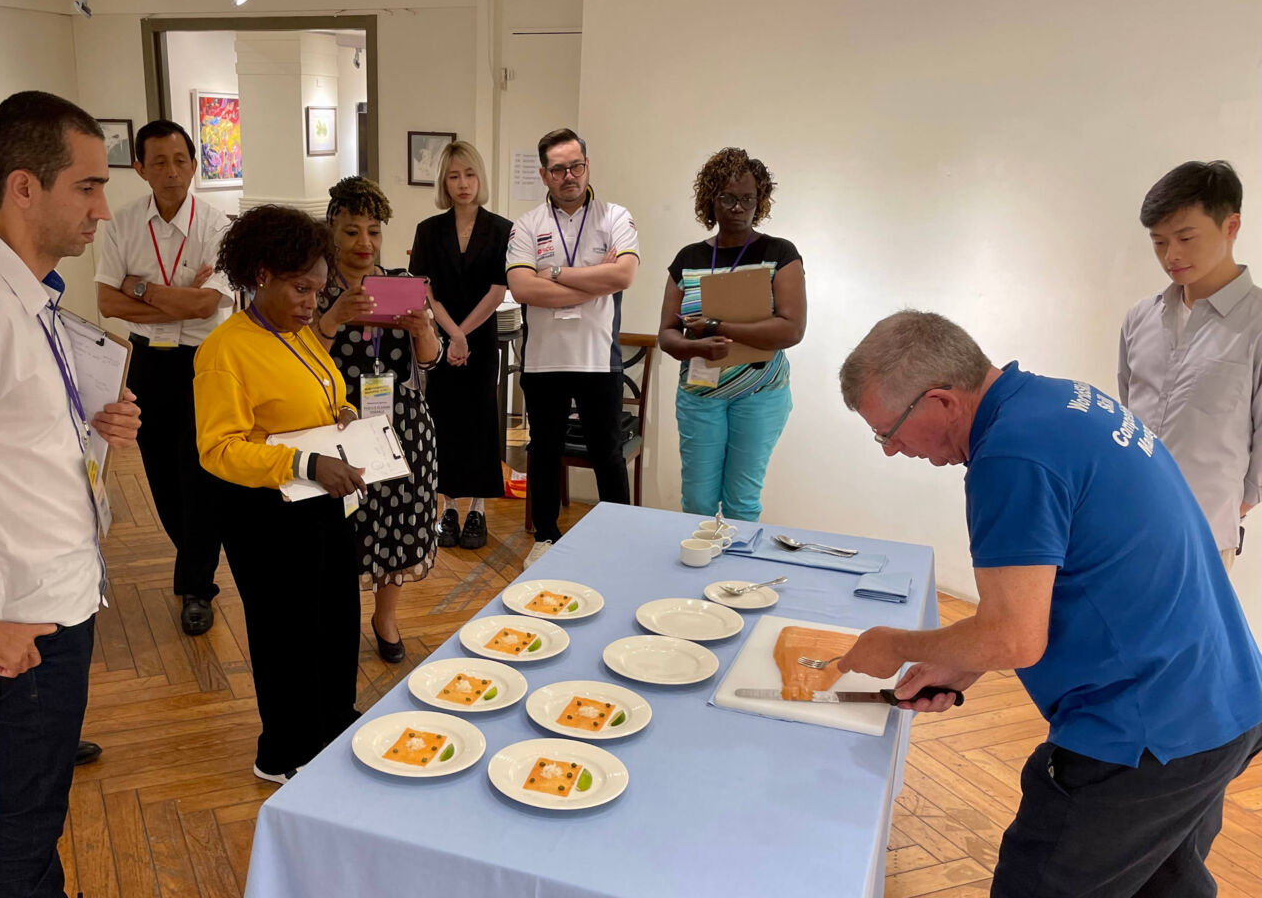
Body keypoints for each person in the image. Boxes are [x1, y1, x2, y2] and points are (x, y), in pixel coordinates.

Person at [837, 309, 1262, 898]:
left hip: (1147, 732)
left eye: (888, 431)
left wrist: (895, 644)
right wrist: (961, 661)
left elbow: (1015, 637)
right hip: (1222, 702)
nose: (889, 449)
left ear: (940, 401)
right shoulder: (1061, 403)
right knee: (1163, 885)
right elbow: (1065, 583)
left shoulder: (1009, 457)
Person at [0, 90, 141, 898]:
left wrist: (93, 423)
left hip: (59, 592)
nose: (102, 209)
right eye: (86, 186)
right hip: (22, 618)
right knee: (25, 814)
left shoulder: (31, 294)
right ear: (23, 188)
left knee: (36, 801)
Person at [194, 205, 367, 783]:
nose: (311, 303)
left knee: (337, 621)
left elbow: (317, 395)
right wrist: (303, 459)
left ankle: (334, 725)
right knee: (286, 633)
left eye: (318, 291)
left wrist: (336, 413)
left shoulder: (299, 336)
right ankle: (287, 752)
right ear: (262, 274)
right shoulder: (225, 350)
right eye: (301, 288)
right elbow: (218, 448)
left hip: (321, 500)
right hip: (266, 511)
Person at [95, 119, 234, 635]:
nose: (172, 172)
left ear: (194, 165)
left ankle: (197, 586)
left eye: (181, 161)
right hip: (145, 362)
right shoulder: (123, 222)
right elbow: (106, 301)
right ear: (139, 168)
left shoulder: (218, 226)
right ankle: (195, 560)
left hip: (203, 363)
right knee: (160, 477)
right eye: (159, 162)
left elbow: (207, 307)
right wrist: (173, 298)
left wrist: (140, 288)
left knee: (200, 474)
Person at [313, 176, 443, 663]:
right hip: (339, 424)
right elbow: (298, 357)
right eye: (351, 232)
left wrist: (423, 329)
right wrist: (331, 320)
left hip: (403, 422)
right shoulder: (314, 288)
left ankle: (385, 617)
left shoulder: (401, 286)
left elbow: (428, 362)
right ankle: (339, 617)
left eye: (373, 231)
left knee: (400, 520)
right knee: (345, 523)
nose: (363, 243)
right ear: (332, 230)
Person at [506, 128, 640, 568]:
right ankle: (544, 536)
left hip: (598, 359)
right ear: (544, 175)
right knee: (544, 450)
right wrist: (588, 280)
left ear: (588, 167)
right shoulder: (527, 225)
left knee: (607, 453)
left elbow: (621, 277)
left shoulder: (615, 216)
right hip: (544, 361)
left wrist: (554, 274)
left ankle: (619, 536)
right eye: (559, 169)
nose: (569, 176)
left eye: (576, 166)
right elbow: (523, 288)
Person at [1119, 160, 1262, 573]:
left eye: (1185, 237)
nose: (1171, 255)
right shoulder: (1139, 318)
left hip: (1205, 533)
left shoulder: (1256, 323)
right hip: (1129, 519)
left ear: (1231, 226)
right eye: (1159, 242)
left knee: (1191, 638)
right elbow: (1128, 409)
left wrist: (1241, 501)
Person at [658, 147, 805, 521]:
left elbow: (791, 329)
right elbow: (666, 336)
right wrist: (697, 348)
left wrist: (717, 327)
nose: (738, 207)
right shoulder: (688, 259)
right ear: (711, 199)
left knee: (742, 502)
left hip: (760, 394)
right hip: (700, 393)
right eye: (727, 198)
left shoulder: (780, 253)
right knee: (696, 504)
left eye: (747, 199)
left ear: (761, 201)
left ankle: (736, 580)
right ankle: (697, 575)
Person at [409, 141, 511, 549]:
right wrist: (451, 332)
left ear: (479, 178)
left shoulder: (502, 228)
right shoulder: (428, 230)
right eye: (454, 176)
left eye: (469, 174)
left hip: (482, 338)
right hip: (442, 337)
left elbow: (498, 288)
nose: (463, 184)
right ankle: (447, 506)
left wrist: (464, 333)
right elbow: (425, 287)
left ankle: (477, 511)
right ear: (444, 183)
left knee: (481, 419)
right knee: (444, 420)